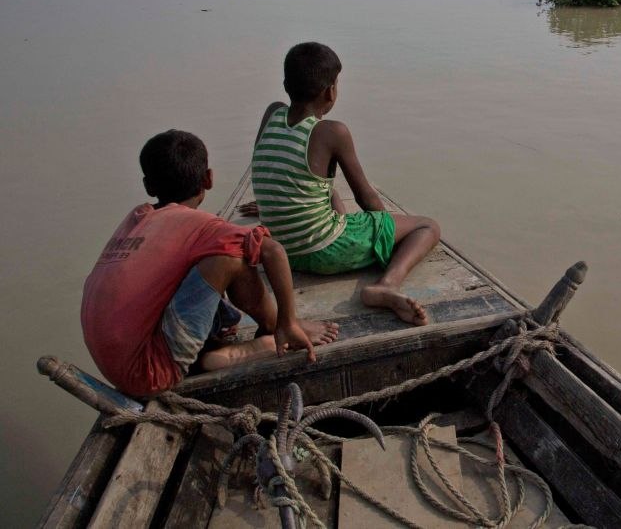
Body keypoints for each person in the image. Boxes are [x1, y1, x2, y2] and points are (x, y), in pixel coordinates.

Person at [81, 130, 339, 398]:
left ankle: (207, 355)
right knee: (232, 255)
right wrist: (289, 320)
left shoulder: (138, 217)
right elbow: (273, 251)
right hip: (150, 371)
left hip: (112, 362)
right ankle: (276, 328)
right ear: (209, 179)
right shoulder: (202, 226)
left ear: (148, 186)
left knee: (205, 255)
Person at [249, 42, 440, 326]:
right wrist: (385, 228)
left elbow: (273, 167)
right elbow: (366, 199)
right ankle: (387, 285)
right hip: (320, 251)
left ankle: (340, 228)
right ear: (330, 92)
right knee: (427, 226)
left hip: (281, 250)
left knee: (331, 191)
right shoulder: (332, 132)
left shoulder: (272, 113)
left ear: (286, 85)